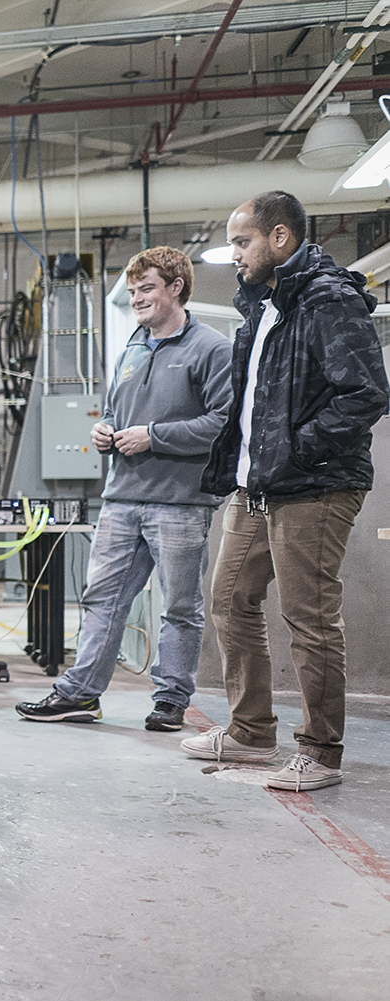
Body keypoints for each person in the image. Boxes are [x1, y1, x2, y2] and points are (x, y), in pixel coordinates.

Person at [180, 190, 389, 790]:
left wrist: (297, 450)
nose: (235, 254)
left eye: (242, 242)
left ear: (280, 238)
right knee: (229, 599)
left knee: (309, 618)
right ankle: (250, 730)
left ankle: (321, 752)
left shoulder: (328, 300)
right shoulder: (264, 308)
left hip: (314, 487)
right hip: (257, 487)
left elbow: (366, 394)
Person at [17, 247, 232, 729]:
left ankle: (171, 700)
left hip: (180, 503)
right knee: (102, 600)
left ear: (176, 288)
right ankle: (80, 694)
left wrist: (153, 436)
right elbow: (116, 413)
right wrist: (105, 430)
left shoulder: (212, 349)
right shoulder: (133, 348)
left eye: (147, 289)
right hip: (122, 500)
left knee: (179, 607)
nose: (136, 299)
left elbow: (223, 424)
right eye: (132, 291)